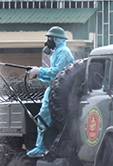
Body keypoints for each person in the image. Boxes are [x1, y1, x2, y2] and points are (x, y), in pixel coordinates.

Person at [25, 26, 75, 156]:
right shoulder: (57, 52)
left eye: (50, 38)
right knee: (43, 117)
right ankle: (40, 145)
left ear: (57, 39)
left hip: (61, 91)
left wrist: (39, 70)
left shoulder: (63, 52)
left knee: (46, 117)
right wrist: (38, 74)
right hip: (54, 89)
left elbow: (58, 72)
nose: (48, 41)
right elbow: (53, 76)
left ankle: (42, 146)